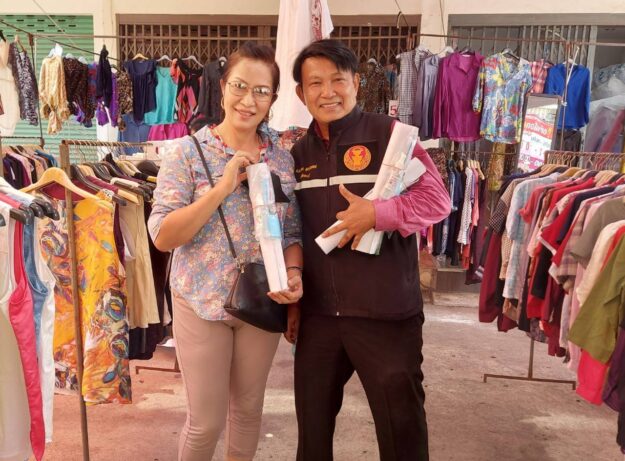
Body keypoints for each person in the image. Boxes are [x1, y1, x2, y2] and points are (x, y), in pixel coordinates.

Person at [287, 39, 451, 461]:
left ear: (357, 83)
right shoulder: (297, 154)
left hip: (386, 315)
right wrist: (295, 302)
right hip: (320, 318)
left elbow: (437, 201)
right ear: (301, 93)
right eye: (315, 83)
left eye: (338, 80)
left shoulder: (391, 136)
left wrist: (378, 214)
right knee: (312, 433)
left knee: (401, 432)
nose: (328, 92)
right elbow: (295, 231)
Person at [148, 42, 303, 461]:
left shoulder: (282, 158)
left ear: (272, 98)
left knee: (249, 413)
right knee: (206, 422)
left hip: (262, 298)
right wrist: (222, 187)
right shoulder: (187, 153)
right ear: (222, 88)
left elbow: (292, 230)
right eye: (240, 86)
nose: (248, 100)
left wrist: (294, 275)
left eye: (261, 91)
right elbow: (162, 235)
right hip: (201, 300)